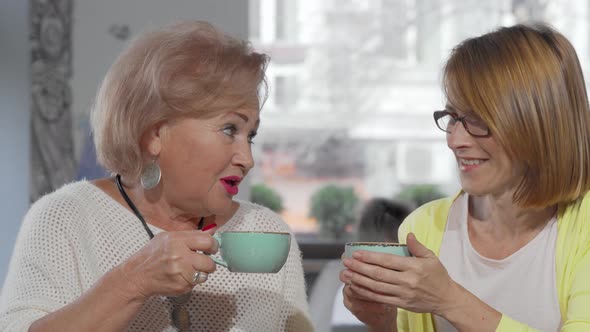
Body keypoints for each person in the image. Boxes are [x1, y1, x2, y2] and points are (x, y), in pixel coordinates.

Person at [0, 21, 311, 332]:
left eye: (250, 136)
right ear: (154, 134)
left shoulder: (266, 231)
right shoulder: (64, 219)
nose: (248, 159)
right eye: (230, 129)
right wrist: (133, 281)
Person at [340, 23, 590, 331]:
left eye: (478, 119)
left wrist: (449, 300)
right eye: (454, 118)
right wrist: (383, 322)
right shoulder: (423, 227)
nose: (455, 140)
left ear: (538, 122)